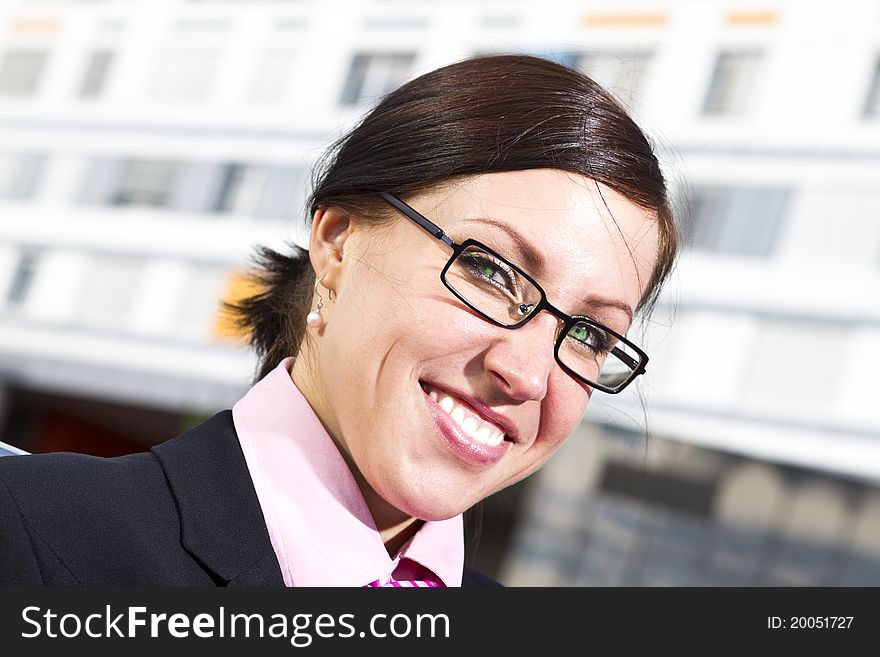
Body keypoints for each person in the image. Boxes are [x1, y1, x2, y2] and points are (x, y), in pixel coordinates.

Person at [0, 54, 678, 587]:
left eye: (589, 334)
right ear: (338, 240)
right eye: (492, 271)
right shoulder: (35, 537)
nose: (528, 373)